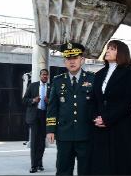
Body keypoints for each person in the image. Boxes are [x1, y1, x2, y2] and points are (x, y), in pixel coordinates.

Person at [85, 40, 131, 175]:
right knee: (101, 165)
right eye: (108, 48)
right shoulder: (99, 74)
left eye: (112, 49)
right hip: (100, 126)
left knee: (121, 165)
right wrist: (95, 117)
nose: (107, 51)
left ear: (121, 53)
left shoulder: (129, 73)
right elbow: (93, 99)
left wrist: (108, 119)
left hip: (121, 126)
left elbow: (128, 101)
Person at [46, 42, 95, 175]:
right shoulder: (58, 81)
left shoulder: (92, 79)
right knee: (63, 170)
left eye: (75, 58)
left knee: (86, 170)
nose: (72, 61)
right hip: (64, 134)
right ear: (64, 61)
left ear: (81, 60)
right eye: (68, 58)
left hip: (85, 133)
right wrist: (51, 130)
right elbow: (52, 107)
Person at [23, 68, 50, 173]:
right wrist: (34, 100)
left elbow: (55, 102)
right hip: (34, 116)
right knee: (34, 140)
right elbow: (24, 100)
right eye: (43, 75)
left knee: (42, 141)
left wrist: (49, 102)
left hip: (45, 116)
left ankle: (39, 163)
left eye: (46, 75)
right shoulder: (33, 86)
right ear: (40, 76)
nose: (45, 76)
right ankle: (33, 165)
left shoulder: (51, 87)